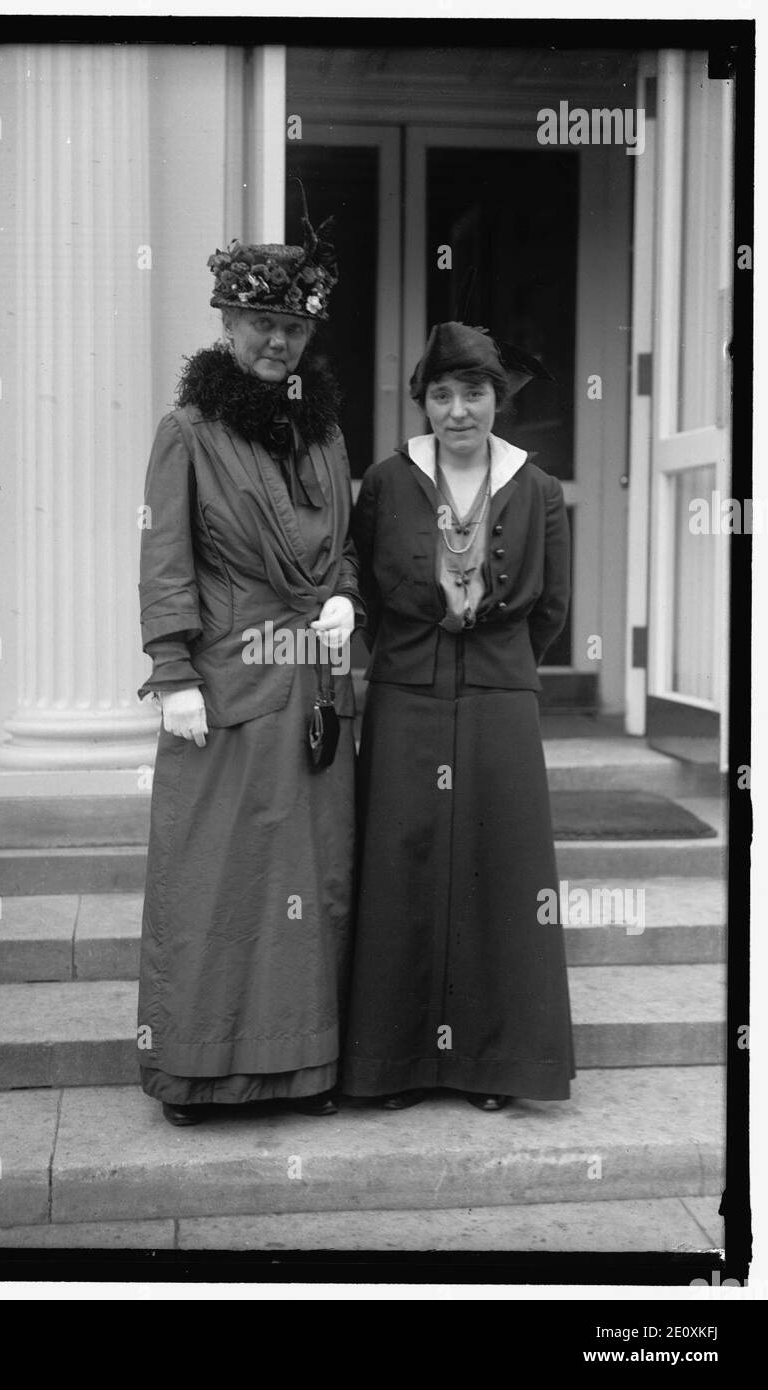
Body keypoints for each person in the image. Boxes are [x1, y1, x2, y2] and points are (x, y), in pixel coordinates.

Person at [136, 212, 361, 1126]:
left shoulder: (325, 434)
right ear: (225, 324)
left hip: (313, 686)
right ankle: (195, 1074)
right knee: (218, 878)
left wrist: (344, 595)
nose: (277, 341)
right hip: (225, 687)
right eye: (259, 323)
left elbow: (340, 548)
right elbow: (165, 558)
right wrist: (171, 672)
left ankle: (301, 1071)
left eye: (294, 328)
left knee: (311, 879)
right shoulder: (186, 429)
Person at [341, 319, 575, 1112]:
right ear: (423, 402)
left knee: (495, 871)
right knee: (399, 866)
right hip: (407, 691)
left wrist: (493, 668)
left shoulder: (536, 488)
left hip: (498, 699)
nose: (457, 410)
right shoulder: (386, 481)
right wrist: (417, 656)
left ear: (495, 398)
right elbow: (367, 596)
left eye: (473, 392)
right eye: (440, 394)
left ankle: (491, 1064)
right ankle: (395, 1063)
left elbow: (550, 608)